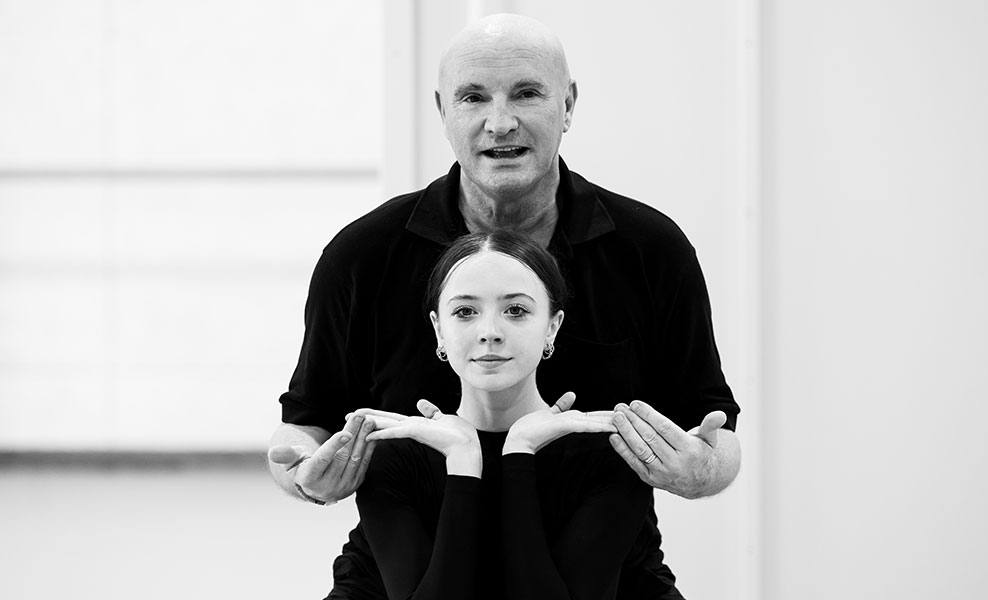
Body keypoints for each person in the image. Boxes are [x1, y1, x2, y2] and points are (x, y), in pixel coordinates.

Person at [268, 13, 742, 599]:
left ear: (567, 104)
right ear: (443, 110)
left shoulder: (649, 249)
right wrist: (308, 479)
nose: (500, 121)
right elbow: (304, 428)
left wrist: (700, 472)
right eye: (473, 97)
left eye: (526, 93)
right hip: (401, 577)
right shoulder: (363, 255)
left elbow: (714, 435)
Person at [355, 230, 652, 600]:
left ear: (552, 327)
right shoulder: (395, 457)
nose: (490, 333)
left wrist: (519, 453)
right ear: (438, 330)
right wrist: (463, 462)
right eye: (465, 312)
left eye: (516, 310)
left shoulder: (608, 455)